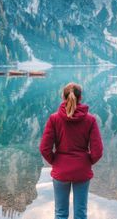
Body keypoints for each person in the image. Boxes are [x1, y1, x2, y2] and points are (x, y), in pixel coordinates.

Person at [40, 83, 103, 219]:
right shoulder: (90, 120)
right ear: (80, 98)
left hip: (61, 171)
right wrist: (86, 162)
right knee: (81, 213)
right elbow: (97, 151)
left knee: (60, 213)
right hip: (82, 170)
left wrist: (56, 161)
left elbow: (44, 148)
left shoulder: (54, 119)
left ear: (63, 97)